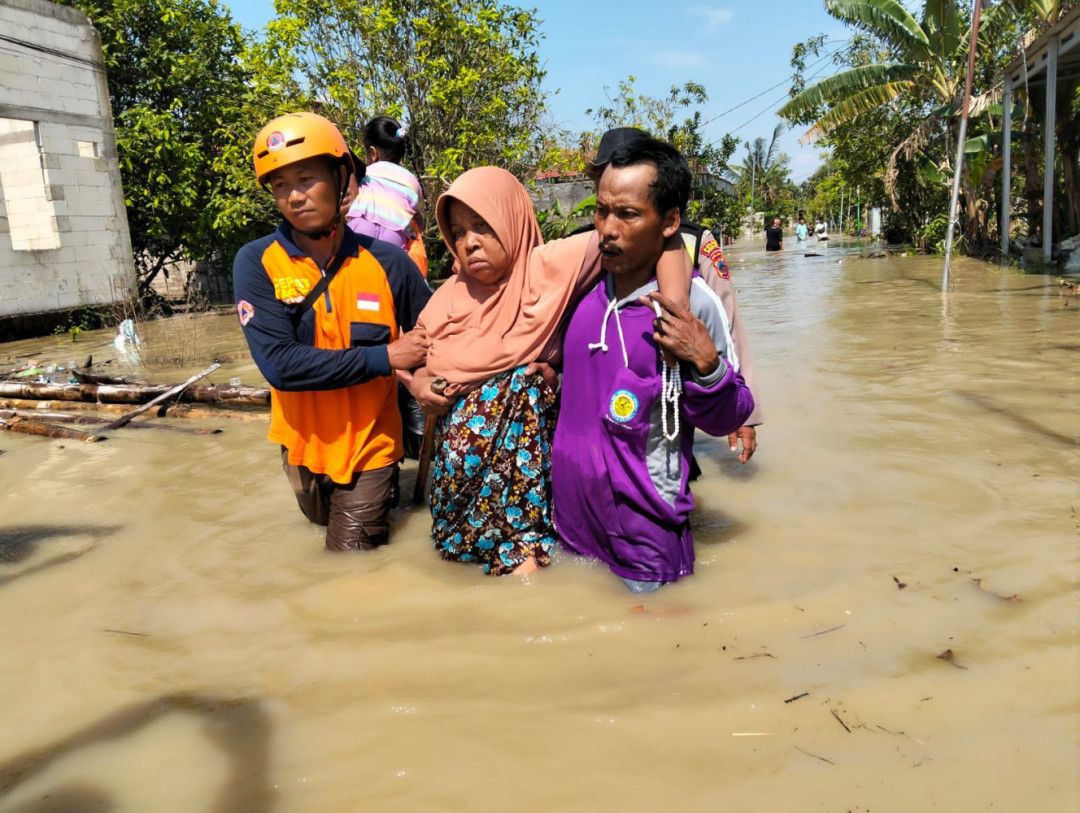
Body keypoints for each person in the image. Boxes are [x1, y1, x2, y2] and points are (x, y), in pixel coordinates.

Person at [406, 167, 695, 576]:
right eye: (457, 232)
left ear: (510, 219)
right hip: (457, 494)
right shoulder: (448, 296)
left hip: (525, 502)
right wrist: (420, 384)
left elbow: (659, 240)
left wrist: (673, 309)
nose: (468, 242)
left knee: (526, 581)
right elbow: (414, 356)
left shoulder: (551, 269)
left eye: (481, 226)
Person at [552, 137, 754, 592]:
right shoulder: (580, 287)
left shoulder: (692, 305)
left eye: (627, 214)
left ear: (669, 222)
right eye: (602, 211)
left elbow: (733, 411)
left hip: (645, 537)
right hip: (572, 525)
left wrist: (707, 364)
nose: (607, 228)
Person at [233, 112, 431, 552]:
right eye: (280, 185)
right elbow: (279, 366)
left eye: (306, 178)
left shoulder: (389, 263)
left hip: (371, 447)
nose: (294, 196)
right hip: (301, 448)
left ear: (342, 176)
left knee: (347, 566)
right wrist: (386, 357)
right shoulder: (256, 263)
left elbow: (439, 335)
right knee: (321, 531)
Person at [582, 127, 762, 462]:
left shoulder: (693, 241)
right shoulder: (587, 244)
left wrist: (746, 416)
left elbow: (727, 320)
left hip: (666, 417)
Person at [346, 116, 429, 278]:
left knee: (356, 278)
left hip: (360, 227)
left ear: (373, 153)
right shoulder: (412, 181)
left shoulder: (366, 174)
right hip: (395, 237)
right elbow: (416, 218)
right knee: (387, 283)